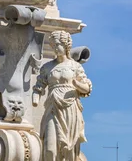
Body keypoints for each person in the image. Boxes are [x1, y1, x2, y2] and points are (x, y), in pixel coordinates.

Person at [32, 31, 92, 161]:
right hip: (52, 108)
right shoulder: (47, 67)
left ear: (66, 46)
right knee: (49, 149)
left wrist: (77, 84)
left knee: (69, 150)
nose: (55, 48)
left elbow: (86, 88)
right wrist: (36, 95)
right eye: (53, 45)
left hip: (70, 109)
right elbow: (39, 84)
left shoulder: (75, 66)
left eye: (58, 44)